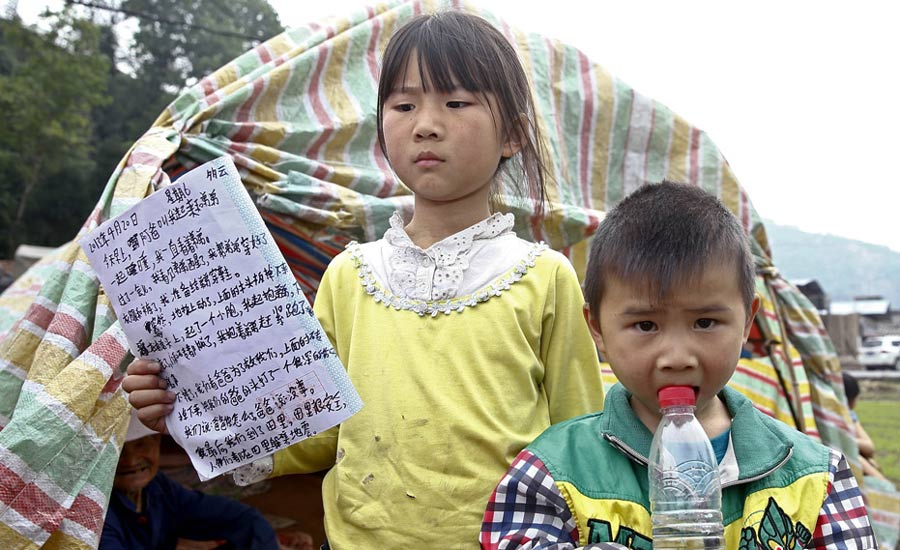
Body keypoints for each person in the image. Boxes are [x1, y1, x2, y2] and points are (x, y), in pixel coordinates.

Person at [122, 10, 604, 549]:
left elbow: (579, 442)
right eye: (403, 105)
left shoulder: (542, 277)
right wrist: (188, 418)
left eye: (456, 102)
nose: (425, 123)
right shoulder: (351, 276)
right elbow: (321, 430)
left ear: (513, 133)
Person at [480, 182, 876, 549]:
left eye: (705, 323)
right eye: (645, 325)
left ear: (747, 322)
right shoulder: (553, 470)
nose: (677, 358)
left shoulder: (816, 476)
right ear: (597, 329)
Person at [100, 412, 280, 549]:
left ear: (157, 443)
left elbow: (246, 521)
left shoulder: (158, 488)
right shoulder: (96, 512)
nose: (131, 461)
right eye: (118, 449)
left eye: (141, 444)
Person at [843, 370, 888, 480]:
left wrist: (845, 440)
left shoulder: (850, 416)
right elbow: (869, 447)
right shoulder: (847, 414)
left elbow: (869, 448)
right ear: (852, 399)